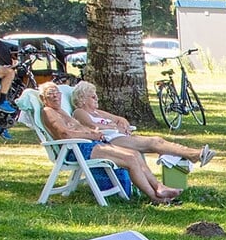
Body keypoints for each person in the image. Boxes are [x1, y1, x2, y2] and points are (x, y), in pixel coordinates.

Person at [35, 84, 183, 203]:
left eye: (57, 92)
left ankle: (159, 187)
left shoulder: (62, 111)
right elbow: (64, 133)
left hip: (88, 144)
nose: (55, 96)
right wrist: (91, 134)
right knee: (130, 159)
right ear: (43, 98)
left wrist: (93, 132)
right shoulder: (49, 111)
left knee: (135, 154)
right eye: (50, 94)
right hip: (78, 148)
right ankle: (155, 197)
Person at [70, 82, 215, 167]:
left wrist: (122, 125)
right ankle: (195, 154)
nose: (97, 98)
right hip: (110, 140)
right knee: (154, 141)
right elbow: (91, 127)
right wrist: (114, 127)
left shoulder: (98, 112)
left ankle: (194, 154)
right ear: (82, 99)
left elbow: (121, 119)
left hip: (119, 135)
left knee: (157, 140)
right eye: (92, 96)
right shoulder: (80, 112)